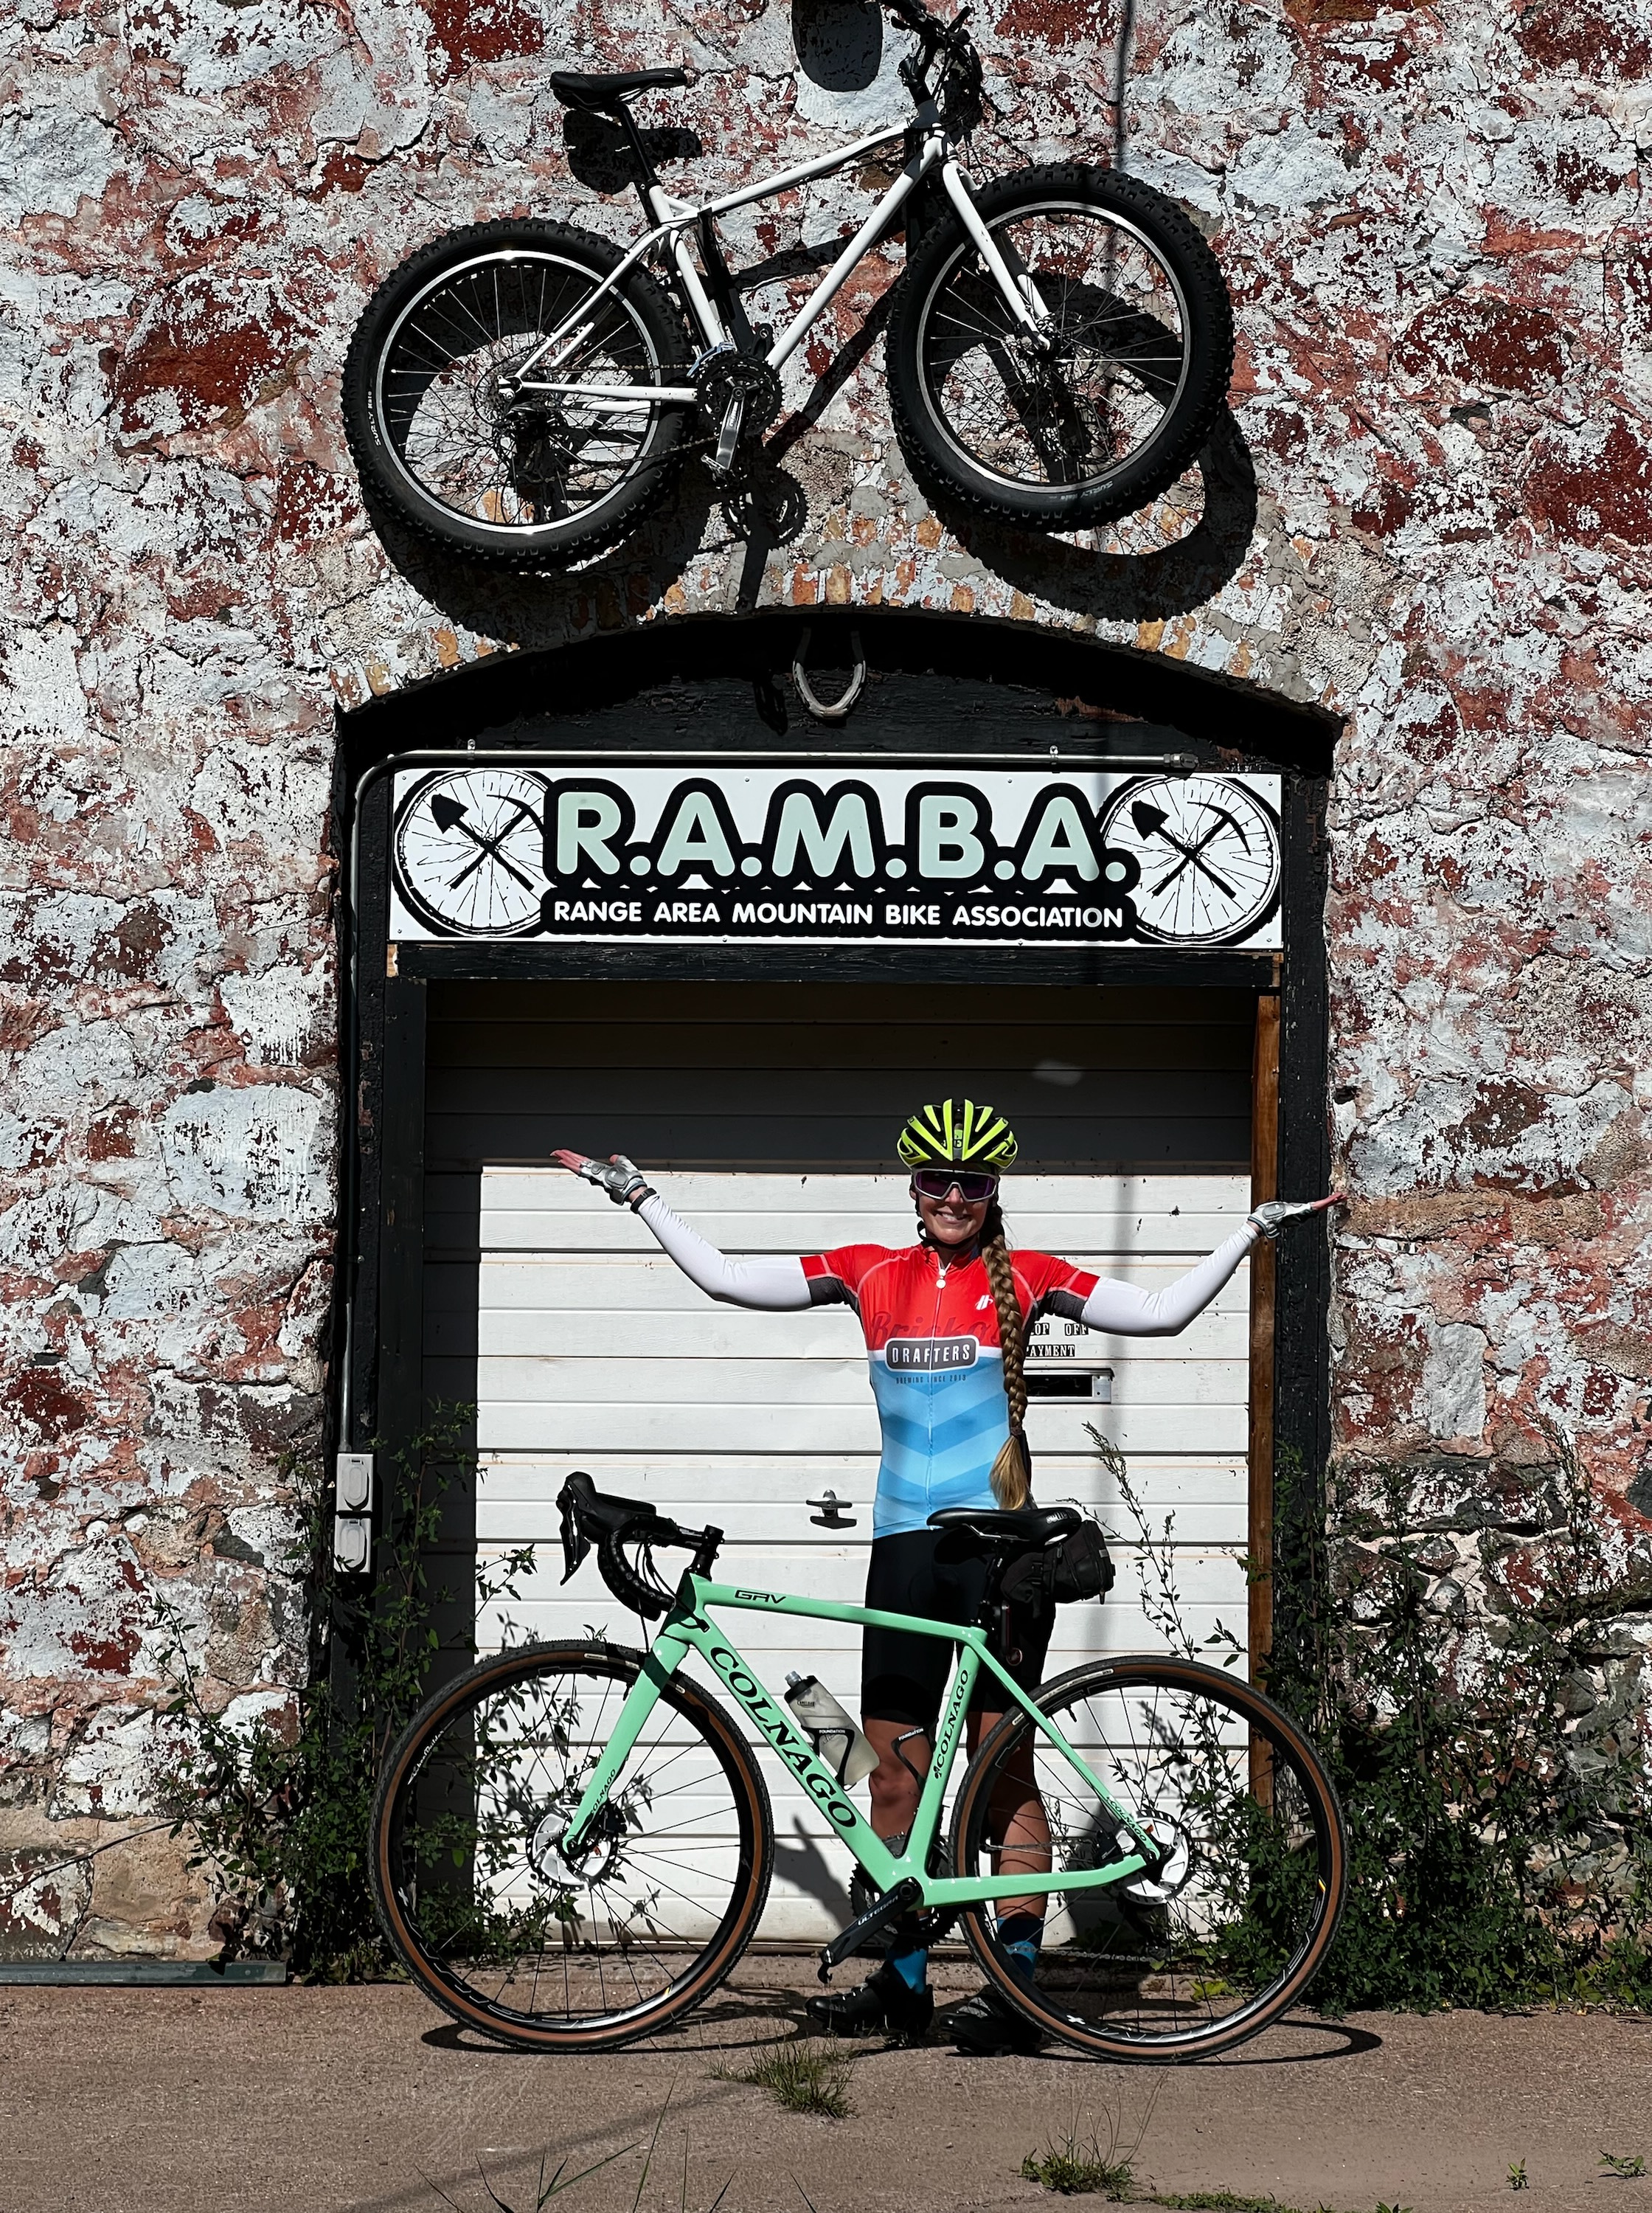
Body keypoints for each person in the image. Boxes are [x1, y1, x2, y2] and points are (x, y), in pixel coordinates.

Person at [553, 1099, 1339, 2054]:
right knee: (890, 1773)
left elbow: (1163, 1315)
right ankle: (903, 1983)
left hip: (997, 1557)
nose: (954, 1197)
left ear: (993, 1191)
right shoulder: (867, 1271)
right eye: (938, 1179)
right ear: (914, 1188)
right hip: (902, 1548)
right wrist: (641, 1197)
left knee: (1000, 1774)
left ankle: (1018, 1990)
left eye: (972, 1182)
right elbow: (726, 1279)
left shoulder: (1031, 1276)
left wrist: (1252, 1230)